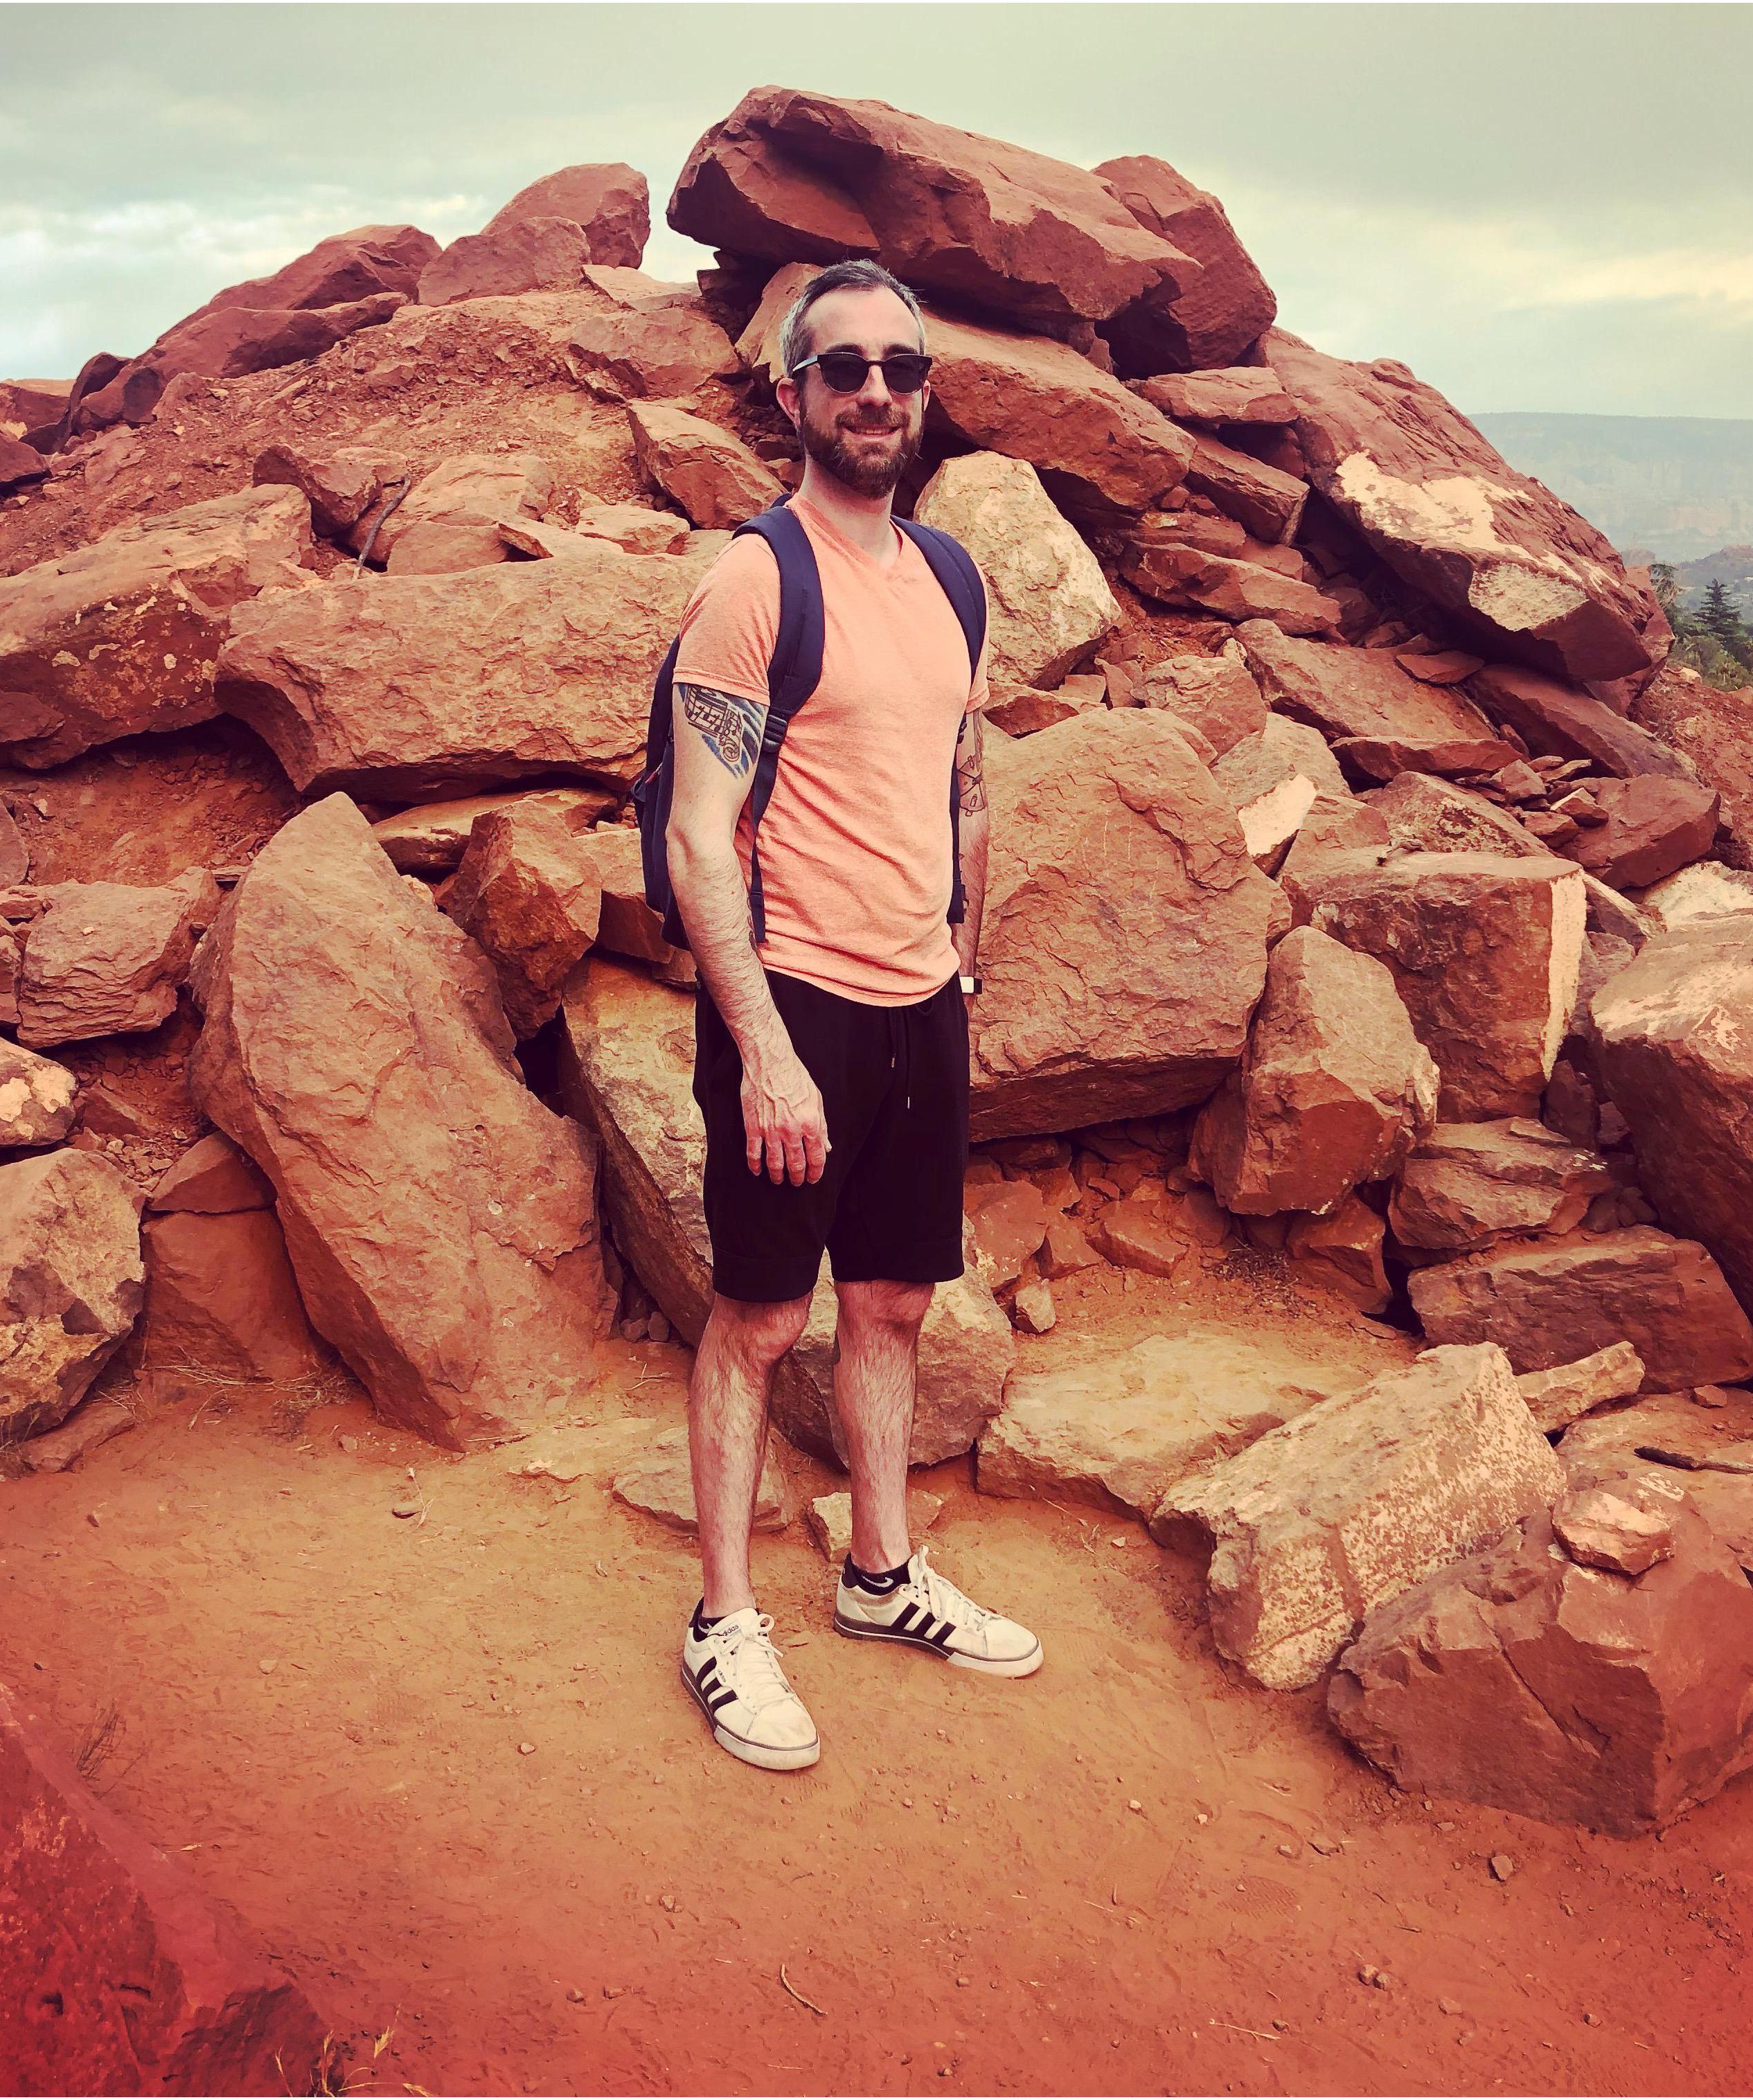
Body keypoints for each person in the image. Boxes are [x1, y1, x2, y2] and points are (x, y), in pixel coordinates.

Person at [664, 259, 1042, 1774]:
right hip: (794, 1004)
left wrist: (965, 943)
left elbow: (959, 774)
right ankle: (722, 1619)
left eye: (899, 366)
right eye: (843, 369)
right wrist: (760, 1045)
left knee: (890, 1302)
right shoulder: (757, 579)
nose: (874, 390)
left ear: (923, 390)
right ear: (792, 395)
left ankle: (882, 1577)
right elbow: (702, 833)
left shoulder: (951, 575)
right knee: (760, 1318)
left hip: (915, 1003)